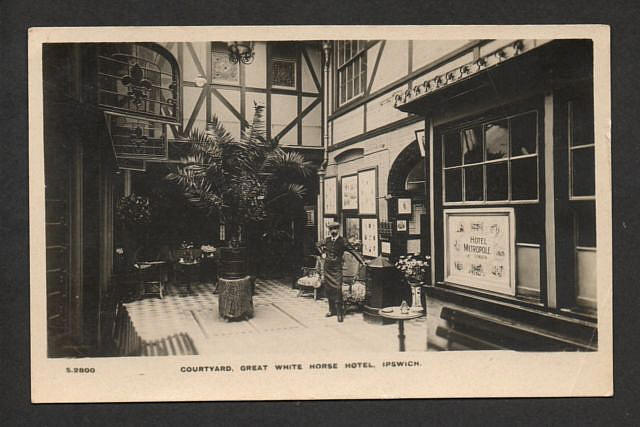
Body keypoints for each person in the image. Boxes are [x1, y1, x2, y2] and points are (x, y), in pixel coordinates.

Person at [317, 222, 366, 322]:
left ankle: (339, 313)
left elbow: (353, 251)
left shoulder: (343, 241)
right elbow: (317, 245)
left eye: (335, 229)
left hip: (337, 269)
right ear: (329, 230)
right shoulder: (327, 240)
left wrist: (362, 261)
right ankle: (331, 310)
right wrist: (322, 253)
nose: (333, 231)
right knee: (329, 289)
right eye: (331, 229)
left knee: (338, 289)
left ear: (338, 229)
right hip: (328, 268)